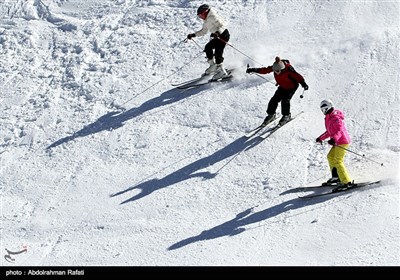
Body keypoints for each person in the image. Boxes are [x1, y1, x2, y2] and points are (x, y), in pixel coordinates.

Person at [246, 57, 309, 126]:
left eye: (278, 71)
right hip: (282, 86)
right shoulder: (275, 68)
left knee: (285, 100)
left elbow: (298, 77)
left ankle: (286, 116)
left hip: (291, 87)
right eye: (275, 71)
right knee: (274, 100)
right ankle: (271, 115)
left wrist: (304, 84)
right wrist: (253, 70)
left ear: (282, 69)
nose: (276, 72)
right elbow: (265, 70)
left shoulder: (289, 70)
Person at [316, 99, 354, 191]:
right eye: (322, 109)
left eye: (324, 108)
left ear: (329, 107)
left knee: (338, 160)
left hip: (343, 141)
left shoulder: (335, 117)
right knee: (330, 156)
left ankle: (346, 182)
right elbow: (330, 132)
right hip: (338, 141)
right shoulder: (329, 117)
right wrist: (321, 138)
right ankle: (336, 177)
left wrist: (334, 139)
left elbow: (339, 130)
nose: (323, 111)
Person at [186, 4, 230, 80]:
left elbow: (222, 25)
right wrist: (193, 35)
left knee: (218, 52)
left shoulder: (213, 17)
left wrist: (218, 33)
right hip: (217, 36)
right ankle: (213, 66)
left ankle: (222, 71)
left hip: (223, 35)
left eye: (200, 15)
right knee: (208, 47)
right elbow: (203, 31)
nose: (200, 17)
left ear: (205, 12)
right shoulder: (206, 21)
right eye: (199, 16)